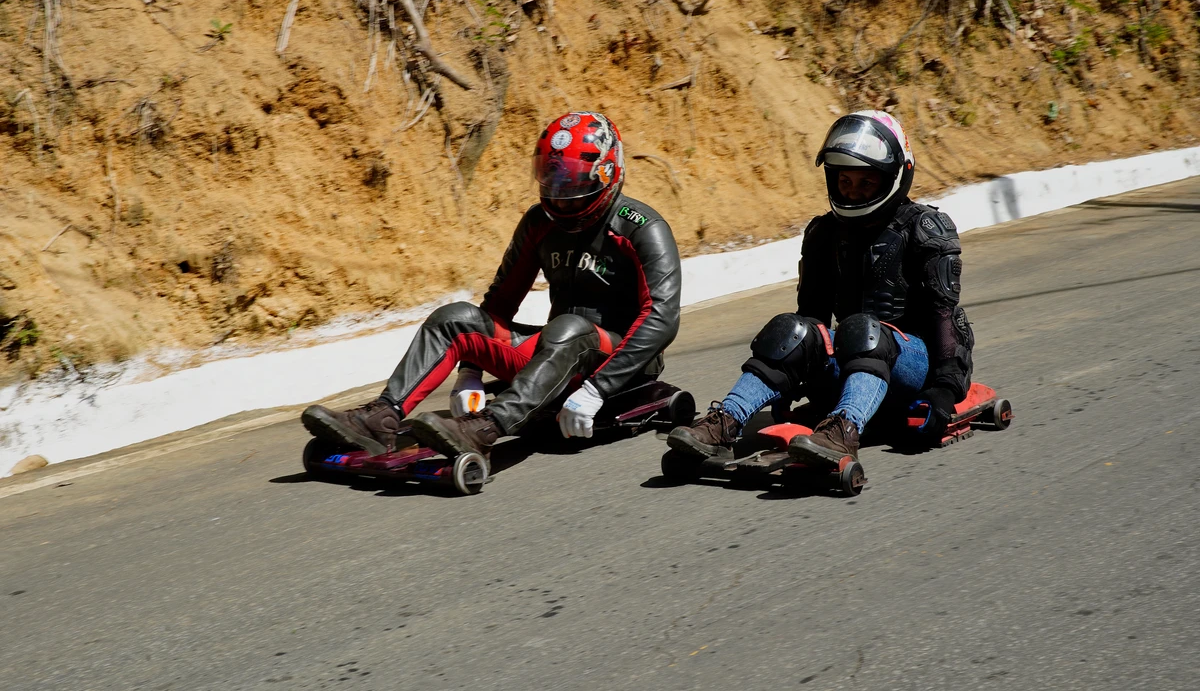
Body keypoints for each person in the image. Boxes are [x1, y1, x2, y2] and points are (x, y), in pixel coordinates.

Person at [302, 112, 682, 461]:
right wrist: (469, 373)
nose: (562, 194)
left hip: (623, 363)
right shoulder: (539, 222)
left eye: (573, 181)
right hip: (557, 351)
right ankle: (381, 417)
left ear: (607, 172)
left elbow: (662, 318)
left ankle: (485, 428)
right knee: (455, 318)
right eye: (554, 178)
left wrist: (596, 390)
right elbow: (500, 301)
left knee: (567, 328)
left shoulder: (642, 227)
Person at [666, 110, 974, 469]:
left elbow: (944, 318)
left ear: (894, 177)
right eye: (845, 181)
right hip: (852, 358)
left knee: (862, 328)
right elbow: (813, 319)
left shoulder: (925, 228)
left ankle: (844, 430)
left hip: (916, 367)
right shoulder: (824, 233)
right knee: (791, 329)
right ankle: (725, 422)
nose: (853, 192)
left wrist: (944, 390)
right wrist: (787, 377)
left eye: (865, 183)